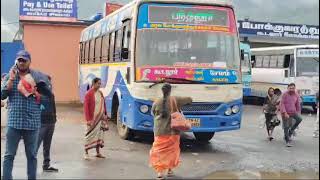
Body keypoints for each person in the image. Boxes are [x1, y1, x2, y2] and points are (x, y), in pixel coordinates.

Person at [1, 50, 49, 180]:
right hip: (14, 123)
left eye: (24, 60)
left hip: (32, 123)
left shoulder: (37, 76)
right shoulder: (10, 75)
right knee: (9, 155)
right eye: (19, 60)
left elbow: (47, 96)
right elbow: (2, 95)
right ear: (16, 61)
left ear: (29, 61)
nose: (21, 63)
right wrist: (11, 79)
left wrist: (38, 93)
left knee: (32, 156)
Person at [150, 83, 192, 179]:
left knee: (159, 151)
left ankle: (159, 173)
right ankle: (169, 170)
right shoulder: (175, 99)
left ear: (162, 91)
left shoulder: (157, 102)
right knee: (172, 151)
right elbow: (189, 99)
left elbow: (152, 112)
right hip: (173, 132)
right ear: (170, 90)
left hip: (159, 131)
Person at [36, 76, 58, 172]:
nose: (49, 84)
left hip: (51, 122)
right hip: (41, 123)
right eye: (48, 82)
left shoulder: (51, 95)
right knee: (36, 145)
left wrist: (54, 118)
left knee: (47, 145)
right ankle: (31, 164)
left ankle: (46, 165)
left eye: (50, 82)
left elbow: (54, 108)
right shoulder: (37, 95)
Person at [83, 77, 109, 160]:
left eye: (100, 83)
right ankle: (86, 153)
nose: (99, 85)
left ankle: (98, 153)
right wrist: (88, 120)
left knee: (99, 135)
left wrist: (105, 114)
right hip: (92, 119)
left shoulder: (100, 93)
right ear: (93, 83)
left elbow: (103, 104)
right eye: (98, 83)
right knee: (89, 136)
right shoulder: (88, 94)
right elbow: (86, 108)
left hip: (100, 118)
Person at [280, 83, 302, 147]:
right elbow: (282, 104)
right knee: (286, 126)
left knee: (299, 119)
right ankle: (287, 141)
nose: (291, 89)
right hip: (285, 113)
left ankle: (291, 130)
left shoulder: (296, 95)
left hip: (293, 112)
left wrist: (298, 112)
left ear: (295, 88)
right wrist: (285, 113)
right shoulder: (284, 94)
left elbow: (298, 104)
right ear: (288, 88)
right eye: (290, 88)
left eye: (293, 88)